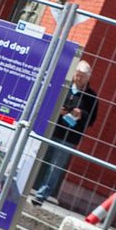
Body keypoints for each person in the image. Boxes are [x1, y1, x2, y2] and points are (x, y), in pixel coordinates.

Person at [29, 60, 98, 206]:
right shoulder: (63, 88)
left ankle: (40, 196)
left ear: (88, 78)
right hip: (51, 130)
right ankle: (26, 186)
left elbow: (91, 120)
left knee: (56, 167)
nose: (79, 79)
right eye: (77, 75)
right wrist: (57, 110)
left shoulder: (91, 97)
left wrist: (82, 115)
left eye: (83, 77)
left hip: (70, 137)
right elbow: (46, 104)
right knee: (36, 157)